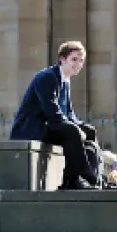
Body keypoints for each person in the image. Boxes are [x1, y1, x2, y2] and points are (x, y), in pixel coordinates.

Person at [9, 41, 99, 190]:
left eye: (81, 60)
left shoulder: (65, 80)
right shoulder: (47, 77)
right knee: (72, 131)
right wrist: (75, 129)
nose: (78, 64)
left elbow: (69, 113)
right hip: (34, 128)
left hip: (51, 125)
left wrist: (81, 127)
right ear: (62, 59)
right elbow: (51, 110)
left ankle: (80, 178)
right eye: (74, 59)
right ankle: (83, 173)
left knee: (89, 130)